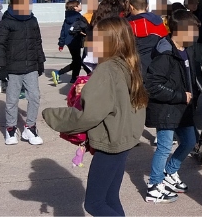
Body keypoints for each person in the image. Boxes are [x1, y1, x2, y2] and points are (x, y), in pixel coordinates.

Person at [43, 17, 149, 216]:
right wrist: (89, 89)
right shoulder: (127, 63)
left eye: (96, 38)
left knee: (94, 204)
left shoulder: (107, 69)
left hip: (111, 143)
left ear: (111, 42)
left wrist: (51, 116)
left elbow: (88, 115)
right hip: (123, 139)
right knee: (110, 198)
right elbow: (114, 98)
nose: (90, 43)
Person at [144, 9, 200, 204]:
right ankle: (154, 185)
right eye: (192, 30)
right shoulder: (165, 52)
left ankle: (170, 172)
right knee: (164, 146)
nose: (195, 35)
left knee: (190, 141)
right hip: (166, 108)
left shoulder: (186, 50)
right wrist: (179, 96)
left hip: (182, 108)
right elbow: (152, 85)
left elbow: (188, 77)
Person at [0, 0, 46, 145]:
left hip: (30, 66)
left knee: (35, 97)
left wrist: (40, 61)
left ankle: (29, 127)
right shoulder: (6, 22)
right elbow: (0, 46)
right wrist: (1, 67)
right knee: (11, 100)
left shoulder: (32, 20)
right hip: (12, 68)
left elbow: (37, 42)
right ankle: (10, 129)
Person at [126, 0, 169, 76]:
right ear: (147, 6)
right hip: (155, 66)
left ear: (131, 7)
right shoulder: (158, 22)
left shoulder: (127, 25)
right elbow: (165, 41)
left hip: (133, 67)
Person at [54, 0, 88, 84]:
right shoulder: (79, 17)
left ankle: (73, 78)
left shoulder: (67, 18)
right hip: (75, 40)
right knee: (78, 61)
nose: (80, 6)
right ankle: (58, 73)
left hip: (69, 42)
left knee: (76, 60)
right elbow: (83, 28)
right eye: (79, 5)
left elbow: (63, 31)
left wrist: (61, 43)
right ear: (75, 7)